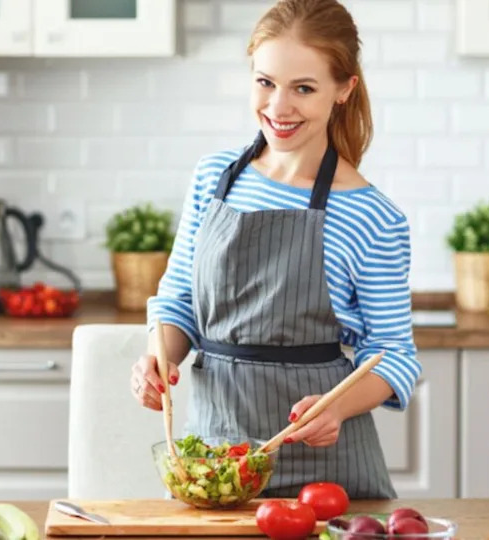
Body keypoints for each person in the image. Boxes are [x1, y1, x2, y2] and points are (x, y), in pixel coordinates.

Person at [131, 0, 420, 500]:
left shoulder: (373, 216)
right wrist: (160, 356)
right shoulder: (214, 180)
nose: (278, 107)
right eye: (265, 82)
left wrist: (337, 406)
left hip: (323, 469)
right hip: (214, 461)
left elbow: (394, 354)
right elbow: (179, 299)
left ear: (344, 90)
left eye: (303, 88)